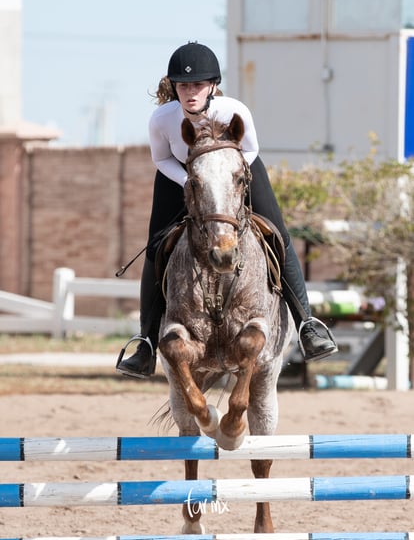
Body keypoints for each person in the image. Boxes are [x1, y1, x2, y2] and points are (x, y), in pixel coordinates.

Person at [116, 41, 337, 378]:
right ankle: (145, 341)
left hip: (238, 170)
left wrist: (225, 179)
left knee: (278, 234)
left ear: (213, 86)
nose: (190, 92)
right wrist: (193, 180)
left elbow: (251, 149)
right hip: (183, 174)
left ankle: (308, 324)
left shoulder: (234, 111)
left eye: (198, 85)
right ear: (174, 87)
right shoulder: (162, 118)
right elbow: (161, 158)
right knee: (157, 245)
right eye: (183, 85)